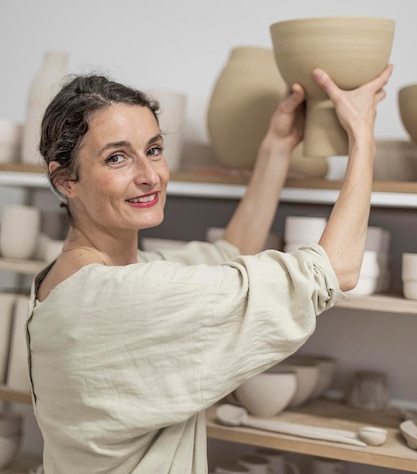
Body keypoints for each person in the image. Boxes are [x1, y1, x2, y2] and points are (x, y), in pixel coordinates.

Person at [26, 63, 392, 474]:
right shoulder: (120, 298)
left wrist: (277, 146)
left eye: (153, 149)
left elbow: (230, 252)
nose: (150, 176)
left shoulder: (72, 278)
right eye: (117, 158)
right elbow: (336, 271)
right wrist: (363, 139)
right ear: (65, 181)